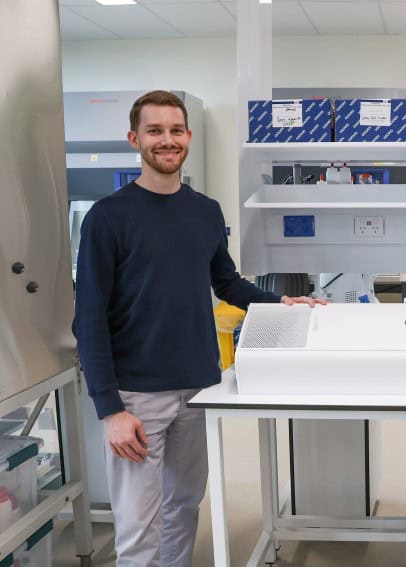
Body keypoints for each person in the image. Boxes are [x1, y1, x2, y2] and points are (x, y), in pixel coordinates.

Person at [72, 90, 325, 567]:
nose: (166, 140)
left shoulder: (205, 210)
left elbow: (226, 281)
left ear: (187, 136)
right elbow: (88, 317)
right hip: (136, 395)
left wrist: (280, 303)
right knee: (139, 528)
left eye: (175, 130)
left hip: (197, 387)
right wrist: (110, 409)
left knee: (184, 507)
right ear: (134, 139)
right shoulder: (108, 218)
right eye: (154, 131)